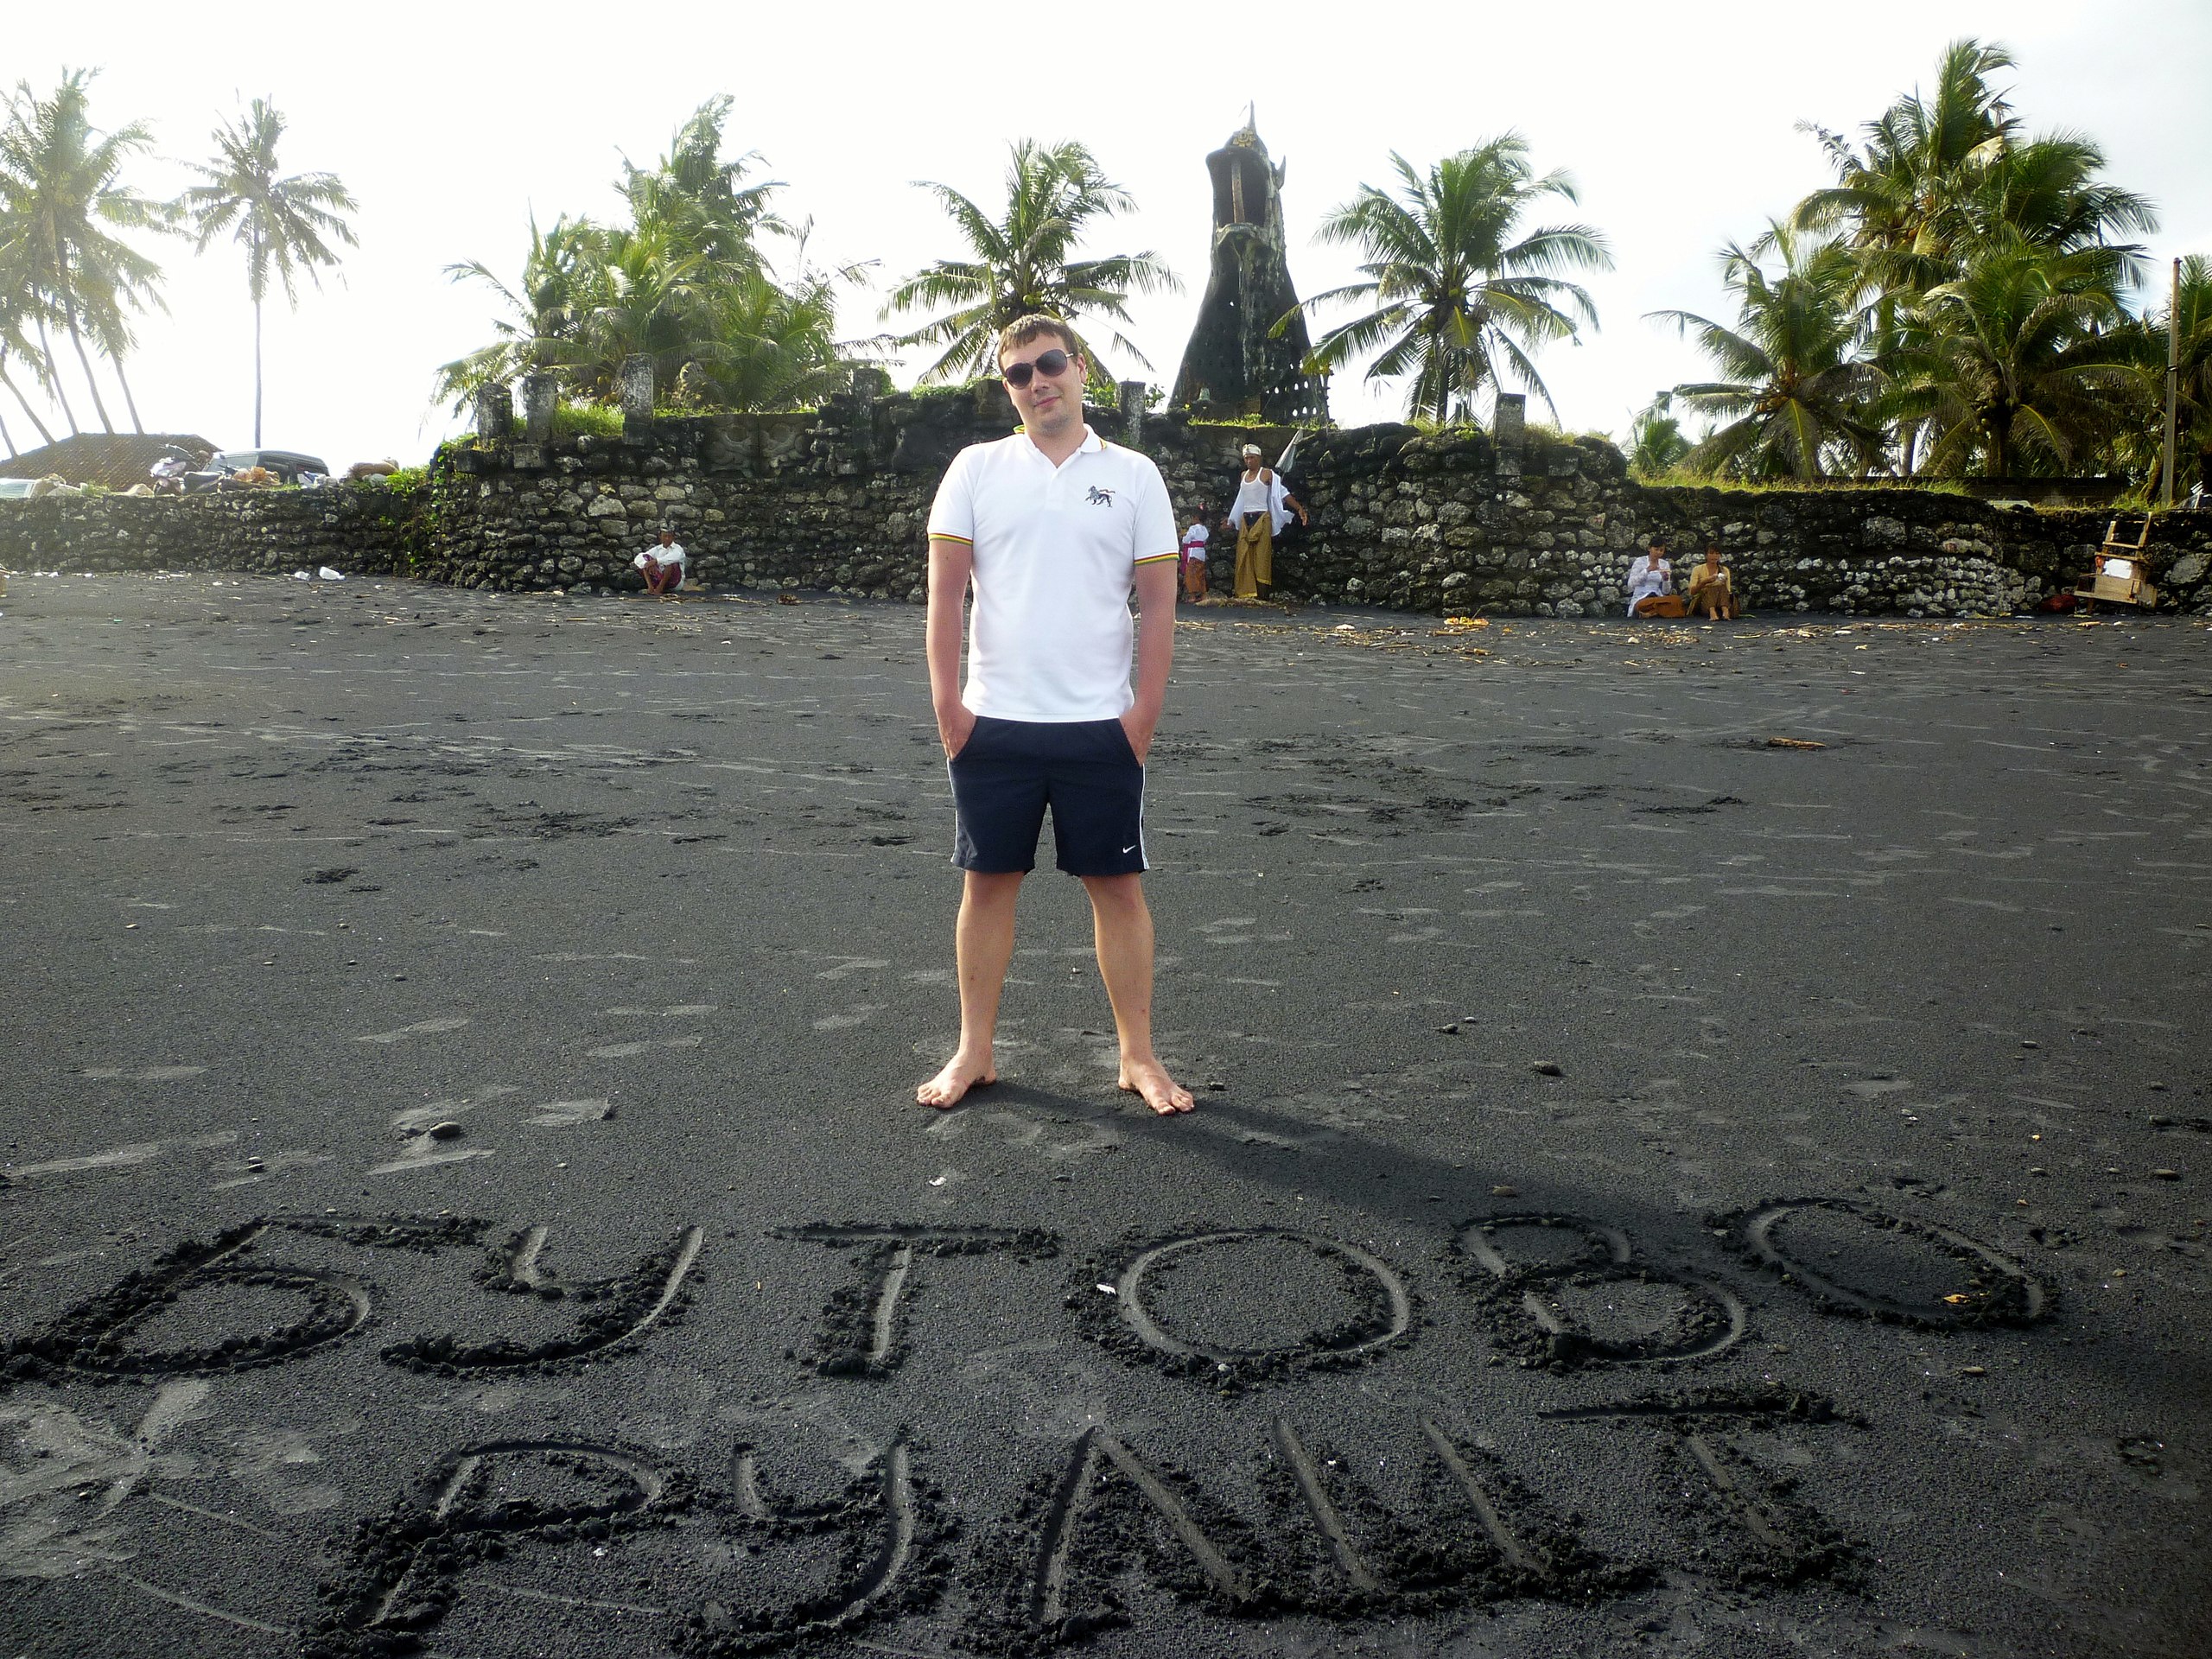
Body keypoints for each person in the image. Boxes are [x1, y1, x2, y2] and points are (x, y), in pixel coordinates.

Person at [918, 314, 1194, 1117]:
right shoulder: (975, 469)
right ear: (1008, 389)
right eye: (1019, 373)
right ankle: (974, 1050)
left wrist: (1143, 715)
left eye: (1049, 364)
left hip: (1100, 726)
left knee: (1118, 889)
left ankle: (1138, 1055)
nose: (1037, 382)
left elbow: (1159, 604)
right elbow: (945, 596)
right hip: (993, 722)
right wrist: (949, 707)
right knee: (986, 886)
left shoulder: (1135, 475)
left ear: (1079, 369)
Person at [1226, 442, 1306, 601]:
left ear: (1259, 458)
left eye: (1252, 458)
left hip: (1262, 518)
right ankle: (1247, 595)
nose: (1249, 461)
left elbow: (1282, 493)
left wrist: (1299, 508)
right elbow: (1241, 499)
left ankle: (1262, 597)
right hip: (1246, 519)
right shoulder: (1243, 475)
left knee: (1262, 557)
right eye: (1246, 458)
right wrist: (1232, 519)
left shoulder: (1267, 474)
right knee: (1244, 556)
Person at [1686, 544, 1737, 619]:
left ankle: (1725, 610)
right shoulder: (1697, 569)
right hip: (1703, 602)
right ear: (1706, 555)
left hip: (1720, 601)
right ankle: (1712, 611)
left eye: (1717, 553)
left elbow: (1727, 591)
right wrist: (1704, 582)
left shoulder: (1724, 570)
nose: (1714, 556)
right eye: (1711, 553)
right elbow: (1692, 592)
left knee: (1721, 586)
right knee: (1710, 588)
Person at [1624, 544, 1675, 617]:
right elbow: (1631, 584)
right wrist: (1647, 570)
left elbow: (1666, 591)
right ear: (1649, 549)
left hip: (1657, 597)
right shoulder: (1640, 561)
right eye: (1656, 549)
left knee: (1676, 600)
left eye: (1661, 550)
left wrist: (1666, 580)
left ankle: (1650, 614)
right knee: (1643, 604)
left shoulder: (1664, 564)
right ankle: (1655, 613)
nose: (1658, 552)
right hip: (1642, 596)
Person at [634, 527, 686, 596]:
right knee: (645, 562)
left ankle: (659, 589)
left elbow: (674, 557)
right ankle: (650, 588)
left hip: (674, 583)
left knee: (670, 564)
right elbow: (640, 557)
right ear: (660, 537)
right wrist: (648, 564)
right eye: (665, 536)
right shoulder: (657, 549)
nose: (667, 539)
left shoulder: (678, 549)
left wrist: (656, 561)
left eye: (669, 536)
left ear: (673, 537)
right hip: (658, 579)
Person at [1179, 514, 1212, 603]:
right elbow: (1205, 540)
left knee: (1191, 574)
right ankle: (1203, 594)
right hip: (1201, 553)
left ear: (1196, 518)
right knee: (1201, 574)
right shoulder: (1204, 529)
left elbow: (1186, 540)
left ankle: (1192, 596)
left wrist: (1184, 537)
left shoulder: (1193, 528)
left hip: (1193, 553)